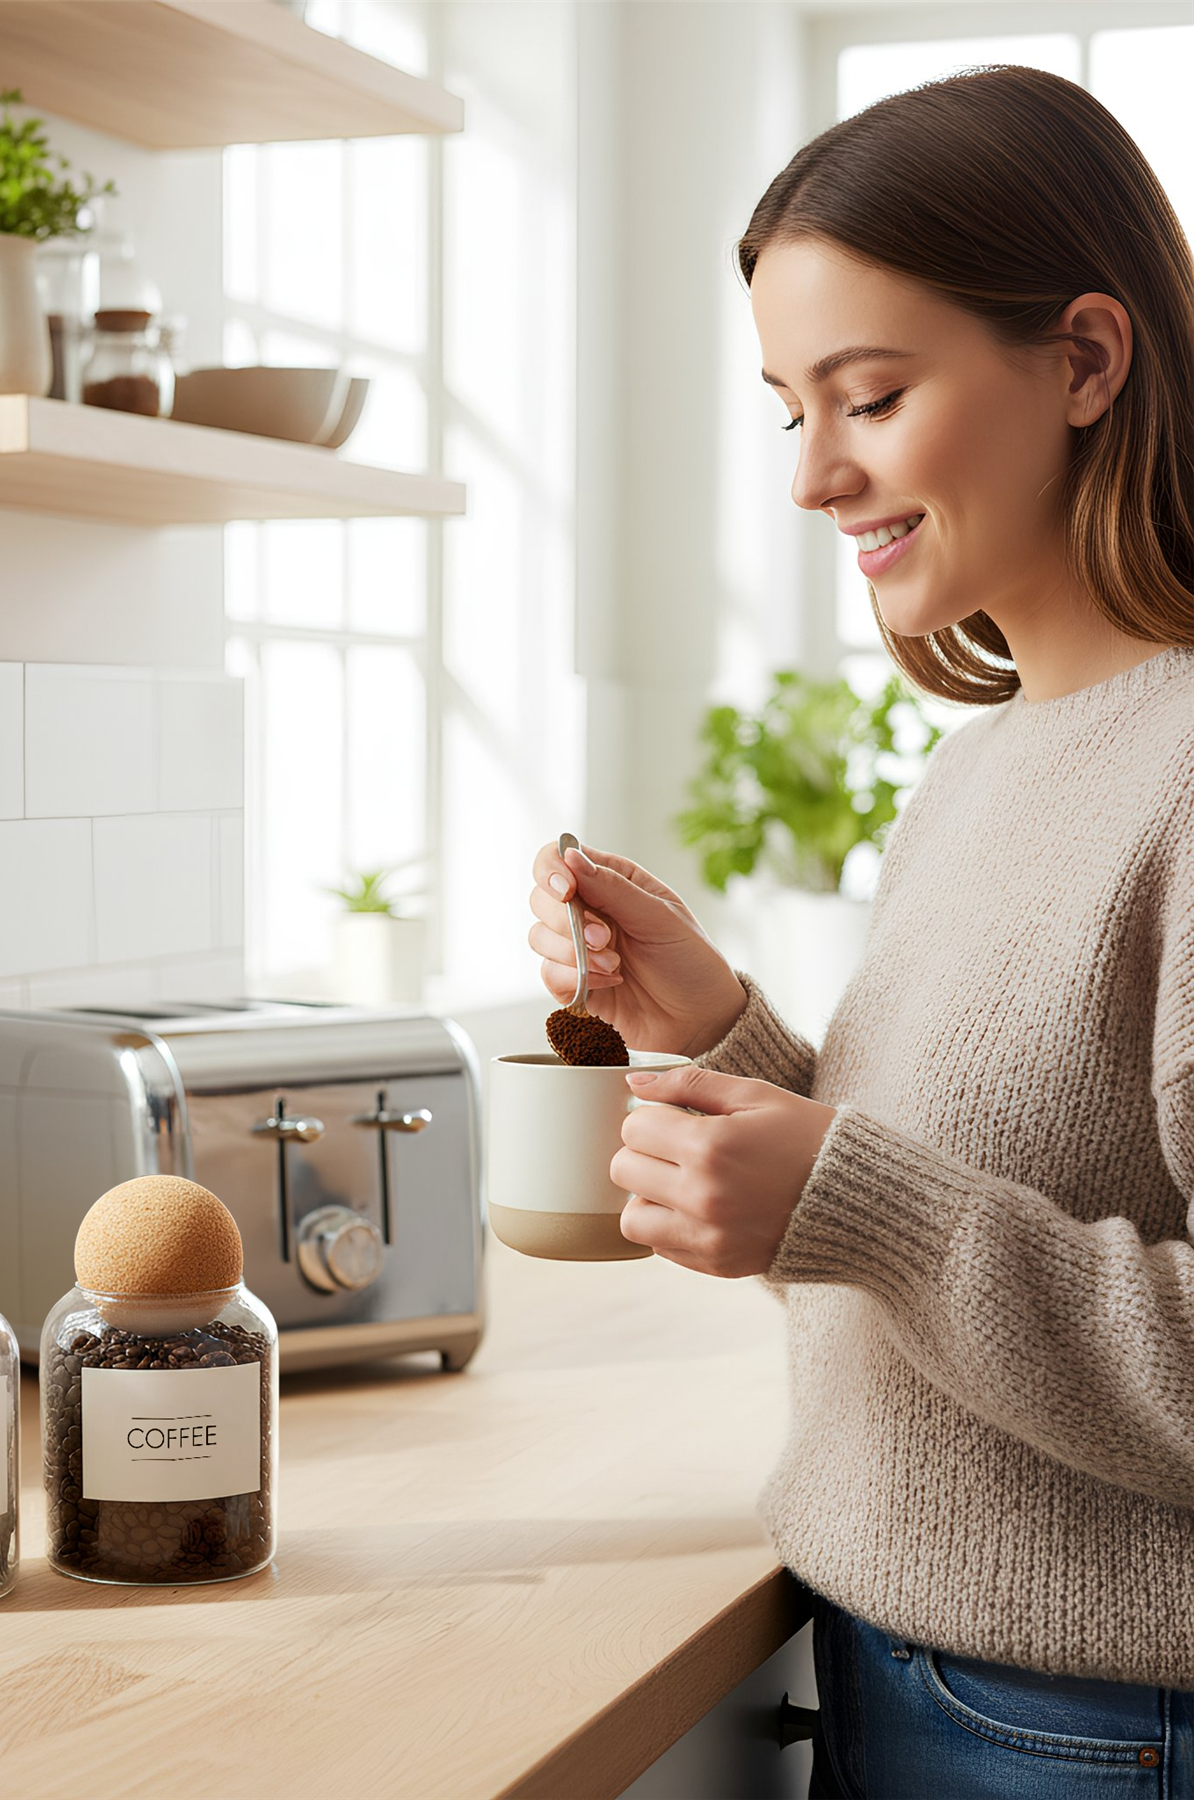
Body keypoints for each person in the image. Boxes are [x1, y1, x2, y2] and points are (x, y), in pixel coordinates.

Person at [527, 67, 1193, 1795]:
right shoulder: (982, 765)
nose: (819, 476)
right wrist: (721, 1029)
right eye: (788, 409)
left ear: (1086, 361)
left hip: (1096, 1731)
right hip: (916, 1670)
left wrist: (850, 1205)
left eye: (873, 396)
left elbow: (903, 1222)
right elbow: (997, 1180)